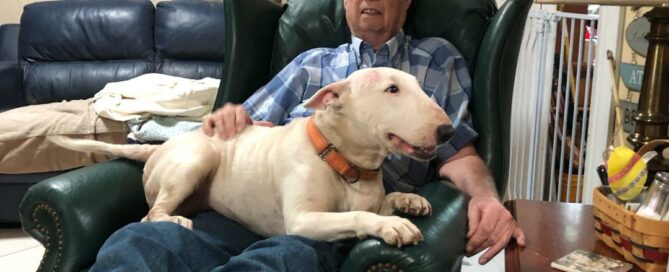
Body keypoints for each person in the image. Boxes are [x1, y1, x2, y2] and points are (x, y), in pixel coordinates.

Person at [90, 0, 525, 270]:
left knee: (284, 259)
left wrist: (486, 196)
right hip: (244, 202)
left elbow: (458, 151)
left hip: (323, 228)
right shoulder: (312, 62)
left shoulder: (436, 59)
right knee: (142, 243)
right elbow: (247, 125)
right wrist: (222, 120)